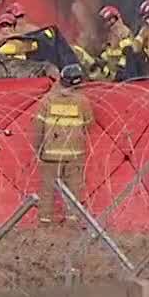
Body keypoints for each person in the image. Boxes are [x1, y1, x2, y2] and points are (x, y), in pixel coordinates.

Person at [33, 64, 94, 223]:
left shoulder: (47, 100)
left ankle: (45, 222)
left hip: (50, 154)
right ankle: (72, 222)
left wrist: (38, 149)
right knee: (74, 190)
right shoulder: (83, 102)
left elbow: (38, 127)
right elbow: (89, 124)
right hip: (74, 154)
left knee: (47, 190)